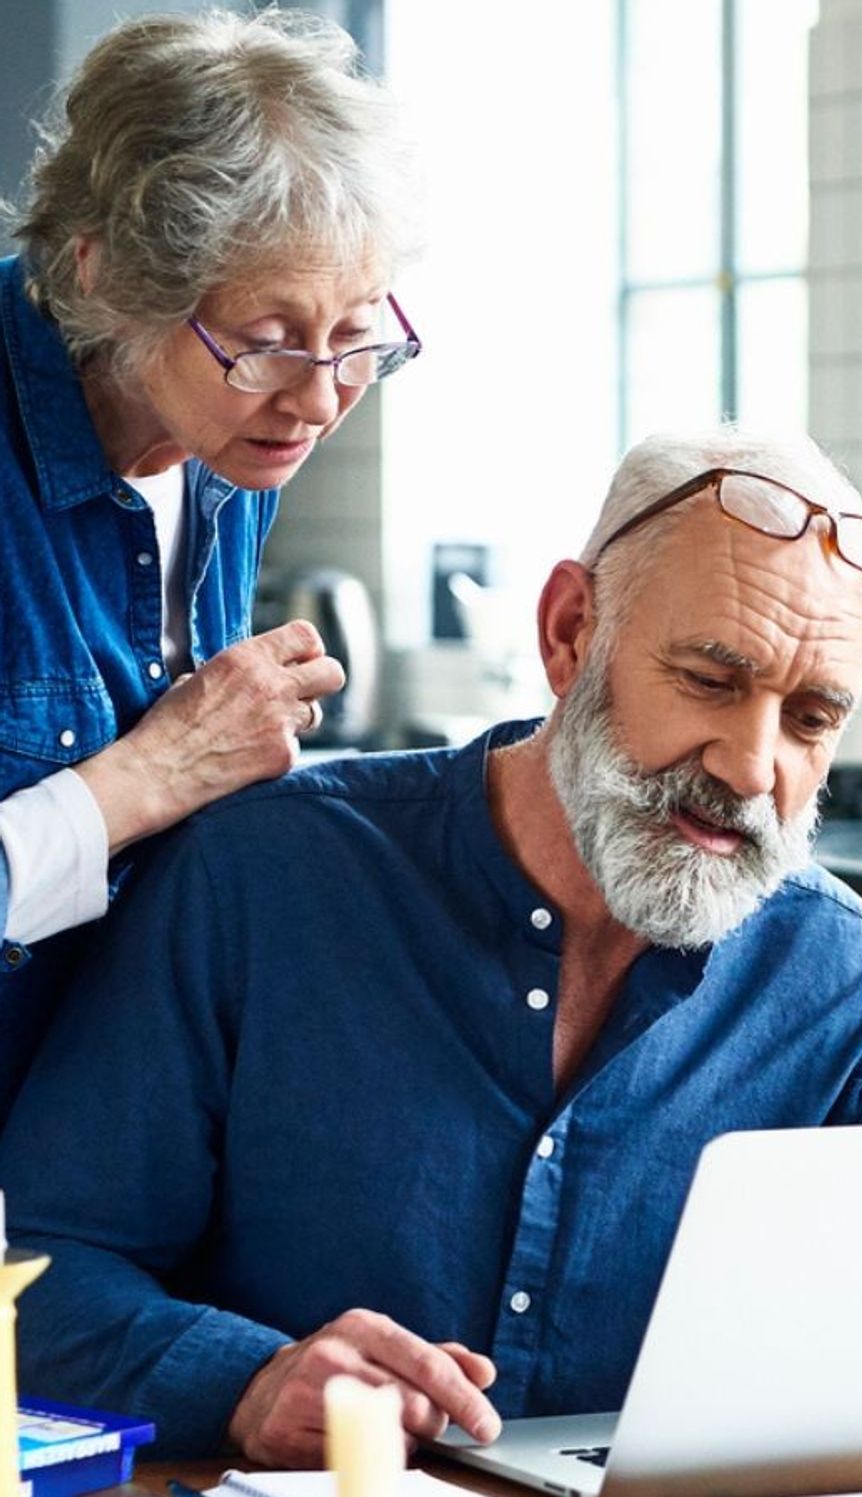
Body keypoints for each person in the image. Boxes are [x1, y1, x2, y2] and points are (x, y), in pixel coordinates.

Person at [0, 429, 862, 1463]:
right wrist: (246, 1379)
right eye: (708, 679)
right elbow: (41, 1267)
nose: (750, 766)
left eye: (811, 719)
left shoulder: (860, 993)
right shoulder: (257, 875)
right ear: (570, 633)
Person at [0, 9, 422, 1121]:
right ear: (106, 278)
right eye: (269, 344)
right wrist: (155, 774)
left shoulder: (227, 440)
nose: (319, 401)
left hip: (91, 1137)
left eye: (356, 338)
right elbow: (156, 780)